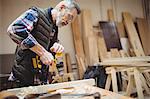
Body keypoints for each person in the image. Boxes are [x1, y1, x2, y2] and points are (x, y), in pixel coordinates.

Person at [7, 0, 81, 87]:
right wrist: (42, 52)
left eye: (71, 20)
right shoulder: (36, 14)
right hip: (22, 79)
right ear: (62, 8)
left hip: (39, 81)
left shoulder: (54, 27)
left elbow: (46, 49)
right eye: (69, 16)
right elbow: (15, 29)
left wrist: (55, 47)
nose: (69, 22)